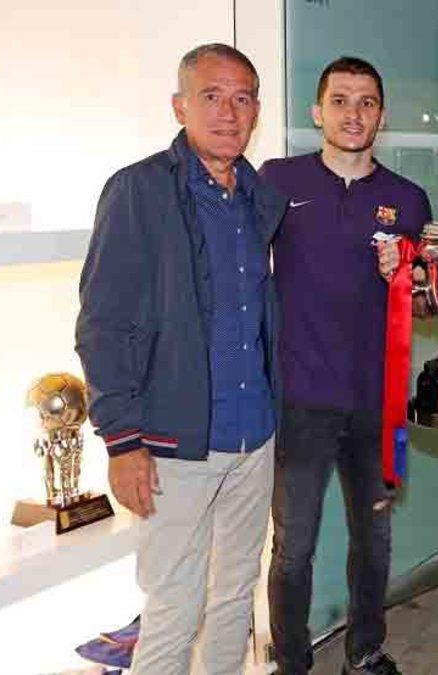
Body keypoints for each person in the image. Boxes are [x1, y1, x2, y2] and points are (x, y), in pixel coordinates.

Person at [75, 43, 286, 674]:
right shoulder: (138, 191)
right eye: (212, 96)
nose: (229, 112)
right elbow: (101, 324)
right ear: (180, 106)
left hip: (255, 437)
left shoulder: (256, 197)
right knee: (174, 605)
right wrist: (122, 440)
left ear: (256, 111)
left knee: (233, 598)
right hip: (174, 445)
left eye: (243, 98)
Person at [258, 56, 431, 675]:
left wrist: (410, 284)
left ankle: (365, 652)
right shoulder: (276, 181)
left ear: (381, 115)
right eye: (340, 100)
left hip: (376, 401)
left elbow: (430, 299)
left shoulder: (408, 200)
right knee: (294, 547)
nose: (353, 114)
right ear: (317, 112)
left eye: (366, 102)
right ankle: (293, 662)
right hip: (300, 398)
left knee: (375, 541)